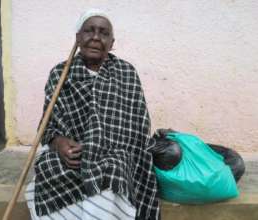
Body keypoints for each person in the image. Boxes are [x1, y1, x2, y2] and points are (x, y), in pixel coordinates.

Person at [26, 9, 160, 220]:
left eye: (103, 33)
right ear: (78, 38)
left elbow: (138, 128)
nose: (96, 37)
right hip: (72, 153)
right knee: (49, 167)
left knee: (115, 170)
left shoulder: (126, 72)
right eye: (89, 31)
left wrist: (101, 147)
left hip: (115, 152)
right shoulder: (60, 73)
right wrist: (60, 143)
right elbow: (48, 126)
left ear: (112, 42)